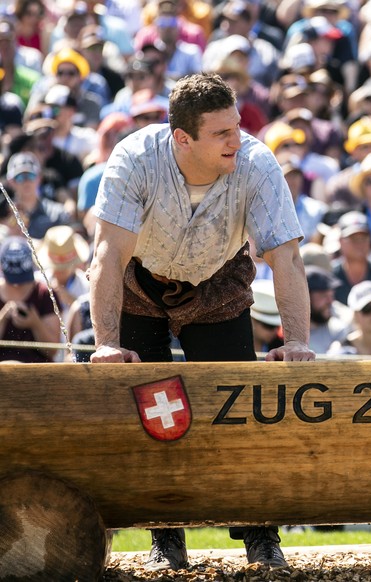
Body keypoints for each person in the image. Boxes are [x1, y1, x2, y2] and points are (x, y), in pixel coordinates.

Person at [88, 73, 314, 570]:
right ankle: (165, 539)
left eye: (236, 126)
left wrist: (296, 340)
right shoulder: (133, 158)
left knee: (237, 408)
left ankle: (260, 537)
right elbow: (108, 256)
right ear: (182, 138)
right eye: (221, 133)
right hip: (138, 284)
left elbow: (288, 258)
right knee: (153, 414)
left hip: (218, 284)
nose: (237, 139)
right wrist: (105, 343)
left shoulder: (256, 163)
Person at [0, 236, 61, 363]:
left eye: (22, 282)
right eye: (13, 282)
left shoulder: (44, 294)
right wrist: (3, 317)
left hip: (38, 372)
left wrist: (36, 324)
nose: (17, 286)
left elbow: (53, 350)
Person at [250, 279, 284, 355]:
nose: (275, 331)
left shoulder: (280, 347)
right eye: (269, 326)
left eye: (277, 326)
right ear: (251, 320)